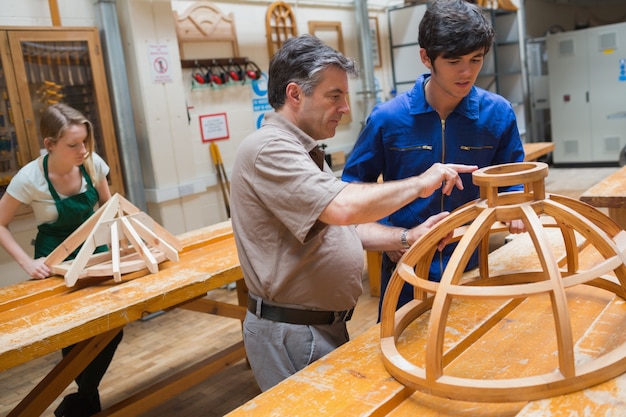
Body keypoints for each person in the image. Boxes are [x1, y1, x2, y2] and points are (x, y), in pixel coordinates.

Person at [230, 34, 478, 392]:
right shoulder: (269, 149)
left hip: (316, 324)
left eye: (344, 96)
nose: (345, 107)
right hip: (292, 329)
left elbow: (332, 228)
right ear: (295, 94)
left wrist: (407, 237)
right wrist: (422, 182)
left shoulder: (303, 149)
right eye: (335, 96)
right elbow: (342, 208)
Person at [342, 0, 526, 315]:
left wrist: (515, 205)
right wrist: (392, 237)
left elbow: (513, 181)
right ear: (426, 57)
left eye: (476, 59)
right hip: (407, 269)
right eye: (454, 61)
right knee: (402, 348)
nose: (467, 72)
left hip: (473, 265)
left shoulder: (498, 114)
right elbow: (352, 193)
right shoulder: (388, 119)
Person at [0, 103, 122, 416]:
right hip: (54, 260)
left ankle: (83, 397)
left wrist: (122, 239)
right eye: (73, 145)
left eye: (85, 142)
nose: (83, 150)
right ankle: (85, 398)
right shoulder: (29, 178)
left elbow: (109, 206)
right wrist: (28, 263)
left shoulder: (92, 163)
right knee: (74, 332)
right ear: (50, 145)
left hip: (92, 252)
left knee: (114, 325)